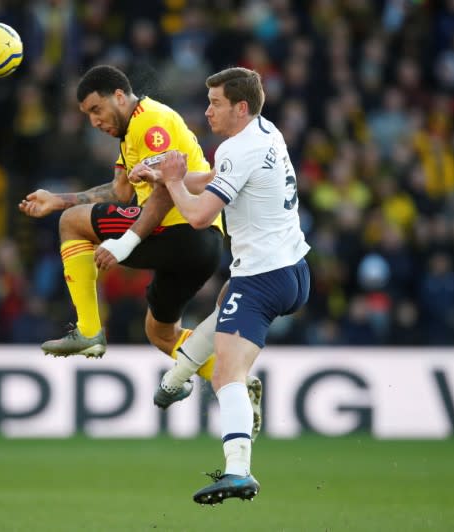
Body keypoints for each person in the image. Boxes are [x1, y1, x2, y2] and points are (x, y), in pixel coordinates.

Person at [135, 67, 310, 504]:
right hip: (294, 270)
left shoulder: (238, 148)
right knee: (224, 304)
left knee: (229, 374)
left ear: (241, 107)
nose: (208, 110)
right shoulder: (267, 133)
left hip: (261, 278)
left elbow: (197, 217)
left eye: (216, 103)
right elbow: (216, 178)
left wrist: (172, 180)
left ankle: (238, 471)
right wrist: (166, 178)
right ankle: (176, 377)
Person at [18, 65, 224, 385]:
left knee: (72, 223)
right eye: (87, 114)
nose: (94, 121)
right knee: (161, 334)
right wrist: (56, 200)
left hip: (181, 228)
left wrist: (128, 239)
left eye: (96, 109)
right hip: (202, 247)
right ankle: (234, 378)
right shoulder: (131, 134)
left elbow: (166, 190)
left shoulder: (149, 122)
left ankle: (88, 331)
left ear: (118, 96)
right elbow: (119, 191)